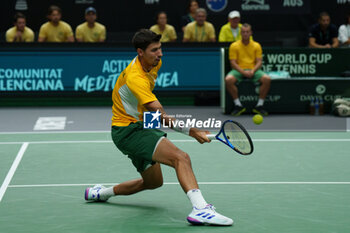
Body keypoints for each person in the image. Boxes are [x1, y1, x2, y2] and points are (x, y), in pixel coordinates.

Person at [84, 29, 233, 226]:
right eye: (154, 50)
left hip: (140, 121)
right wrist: (193, 132)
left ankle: (100, 193)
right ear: (140, 52)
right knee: (181, 158)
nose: (160, 54)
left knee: (154, 182)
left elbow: (152, 115)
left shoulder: (154, 63)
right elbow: (160, 115)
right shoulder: (135, 77)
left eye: (160, 49)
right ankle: (201, 209)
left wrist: (163, 129)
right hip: (128, 130)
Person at [225, 24, 271, 116]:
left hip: (253, 70)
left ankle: (259, 106)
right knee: (228, 80)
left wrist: (253, 71)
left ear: (251, 33)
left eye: (247, 32)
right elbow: (233, 63)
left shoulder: (256, 45)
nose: (245, 34)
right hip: (238, 70)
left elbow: (259, 62)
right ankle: (238, 105)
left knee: (267, 79)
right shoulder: (234, 45)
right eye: (243, 32)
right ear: (240, 33)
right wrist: (243, 72)